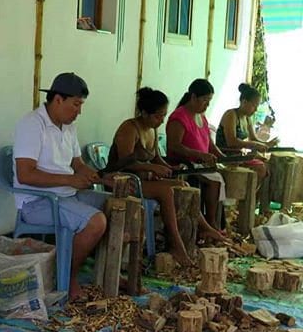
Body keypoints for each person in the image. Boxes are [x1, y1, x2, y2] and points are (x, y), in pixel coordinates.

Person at [13, 72, 108, 301]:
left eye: (81, 105)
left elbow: (77, 164)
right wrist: (70, 180)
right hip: (37, 202)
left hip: (65, 195)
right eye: (76, 104)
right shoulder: (32, 125)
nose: (79, 111)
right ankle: (68, 278)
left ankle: (107, 273)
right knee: (96, 222)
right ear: (58, 100)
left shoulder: (69, 127)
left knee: (115, 204)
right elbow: (25, 175)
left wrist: (101, 178)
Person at [106, 87, 226, 266]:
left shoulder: (151, 130)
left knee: (182, 186)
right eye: (158, 116)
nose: (161, 121)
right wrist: (152, 168)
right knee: (166, 192)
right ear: (144, 113)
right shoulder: (129, 128)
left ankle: (205, 229)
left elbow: (156, 157)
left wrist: (169, 168)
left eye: (163, 115)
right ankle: (176, 244)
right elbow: (124, 163)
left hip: (143, 179)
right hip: (123, 181)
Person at [166, 79, 226, 227]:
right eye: (205, 100)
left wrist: (223, 157)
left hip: (200, 164)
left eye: (209, 101)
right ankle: (209, 223)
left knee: (221, 176)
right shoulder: (179, 117)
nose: (207, 105)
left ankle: (218, 223)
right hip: (183, 164)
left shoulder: (201, 116)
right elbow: (174, 146)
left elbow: (209, 143)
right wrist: (199, 155)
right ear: (193, 97)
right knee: (214, 181)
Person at [215, 82, 278, 185]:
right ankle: (248, 197)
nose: (256, 109)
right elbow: (231, 141)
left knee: (268, 163)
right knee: (260, 168)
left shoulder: (247, 118)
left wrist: (267, 144)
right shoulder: (231, 115)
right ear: (244, 102)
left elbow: (253, 138)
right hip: (225, 155)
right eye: (254, 106)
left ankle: (254, 196)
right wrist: (255, 145)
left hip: (238, 155)